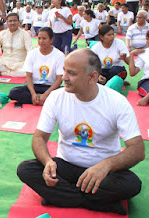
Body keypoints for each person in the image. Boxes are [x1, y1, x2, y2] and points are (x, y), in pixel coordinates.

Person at [17, 48, 144, 215]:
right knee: (26, 169)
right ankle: (96, 202)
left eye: (72, 73)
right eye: (64, 71)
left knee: (132, 184)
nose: (65, 78)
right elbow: (40, 137)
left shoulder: (116, 102)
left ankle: (61, 197)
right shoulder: (56, 98)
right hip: (66, 166)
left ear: (92, 77)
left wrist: (106, 165)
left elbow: (137, 150)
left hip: (102, 172)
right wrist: (48, 161)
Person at [8, 27, 64, 104]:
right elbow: (28, 76)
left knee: (68, 94)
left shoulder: (59, 55)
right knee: (13, 93)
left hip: (51, 88)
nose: (41, 41)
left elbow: (59, 79)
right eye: (39, 38)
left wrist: (45, 94)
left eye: (44, 38)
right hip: (34, 86)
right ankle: (42, 100)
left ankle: (42, 99)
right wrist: (33, 94)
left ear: (51, 40)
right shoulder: (32, 54)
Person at [129, 31, 149, 106]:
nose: (146, 42)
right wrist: (132, 54)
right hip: (147, 81)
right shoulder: (144, 53)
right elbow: (132, 73)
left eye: (147, 39)